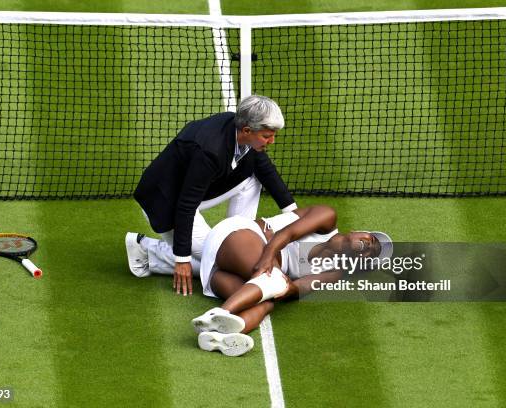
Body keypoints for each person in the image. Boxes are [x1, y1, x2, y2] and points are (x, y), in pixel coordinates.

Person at [126, 95, 297, 296]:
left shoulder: (243, 131)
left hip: (193, 188)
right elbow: (185, 205)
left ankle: (239, 234)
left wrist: (295, 216)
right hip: (164, 200)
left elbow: (265, 169)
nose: (272, 141)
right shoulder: (210, 150)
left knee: (252, 179)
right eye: (268, 136)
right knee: (224, 258)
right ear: (247, 131)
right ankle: (147, 251)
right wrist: (182, 260)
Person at [189, 205, 393, 356]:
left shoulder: (336, 272)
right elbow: (287, 234)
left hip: (218, 271)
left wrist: (288, 289)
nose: (369, 246)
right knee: (275, 281)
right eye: (372, 239)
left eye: (372, 254)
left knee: (267, 303)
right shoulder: (327, 217)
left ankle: (220, 338)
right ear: (359, 231)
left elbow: (300, 288)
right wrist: (269, 258)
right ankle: (220, 313)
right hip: (236, 235)